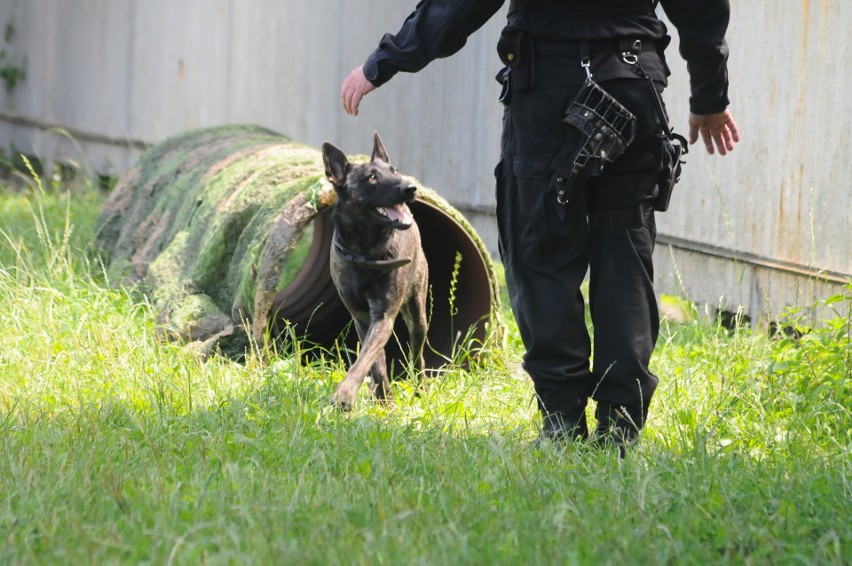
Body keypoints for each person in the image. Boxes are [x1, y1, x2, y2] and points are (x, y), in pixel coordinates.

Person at [340, 0, 739, 453]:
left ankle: (562, 424)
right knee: (625, 258)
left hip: (546, 91)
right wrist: (710, 96)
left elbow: (457, 8)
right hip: (632, 83)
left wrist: (384, 61)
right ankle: (620, 429)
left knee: (540, 256)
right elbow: (702, 8)